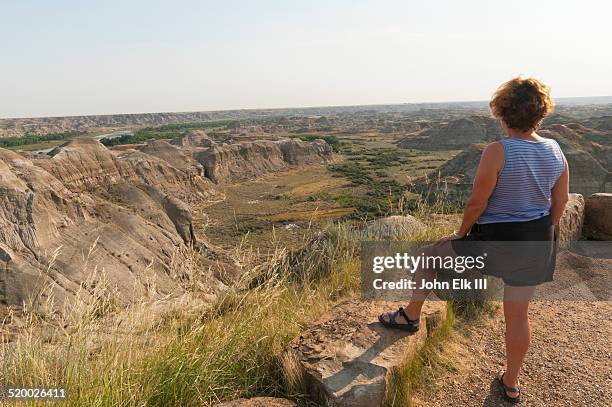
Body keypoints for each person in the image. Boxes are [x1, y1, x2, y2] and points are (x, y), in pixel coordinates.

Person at [379, 77, 569, 403]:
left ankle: (410, 316)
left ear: (503, 112)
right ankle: (511, 383)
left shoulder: (497, 151)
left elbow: (477, 204)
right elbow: (560, 203)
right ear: (540, 113)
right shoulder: (554, 149)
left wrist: (460, 233)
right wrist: (541, 236)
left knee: (427, 256)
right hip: (536, 241)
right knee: (518, 315)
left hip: (495, 243)